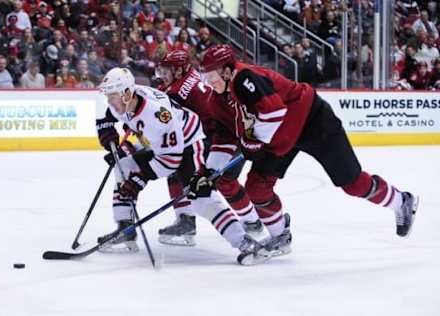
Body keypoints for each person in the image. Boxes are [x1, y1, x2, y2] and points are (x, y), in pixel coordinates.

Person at [189, 45, 419, 255]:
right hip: (279, 139)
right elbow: (224, 138)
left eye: (212, 75)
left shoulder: (245, 78)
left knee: (353, 183)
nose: (209, 82)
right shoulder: (215, 101)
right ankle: (280, 236)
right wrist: (210, 171)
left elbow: (274, 112)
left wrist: (254, 142)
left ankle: (401, 201)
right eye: (205, 76)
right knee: (257, 188)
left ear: (227, 71)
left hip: (312, 120)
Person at [95, 67, 274, 265]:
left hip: (188, 145)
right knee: (124, 165)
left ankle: (244, 242)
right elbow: (108, 115)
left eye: (113, 96)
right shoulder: (126, 98)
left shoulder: (157, 116)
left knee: (201, 198)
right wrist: (106, 131)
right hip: (164, 144)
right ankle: (125, 229)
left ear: (127, 94)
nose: (110, 101)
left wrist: (139, 180)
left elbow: (170, 160)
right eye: (109, 96)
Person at [154, 49, 264, 246]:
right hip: (222, 134)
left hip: (222, 137)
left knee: (213, 180)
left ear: (179, 71)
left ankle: (192, 221)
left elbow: (163, 125)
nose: (162, 75)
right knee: (218, 179)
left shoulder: (175, 92)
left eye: (166, 70)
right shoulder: (190, 76)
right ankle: (251, 221)